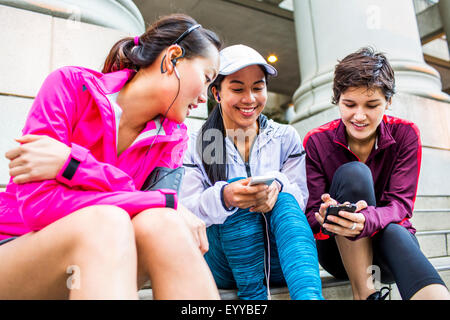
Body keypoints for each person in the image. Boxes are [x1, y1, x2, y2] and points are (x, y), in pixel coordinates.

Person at [0, 14, 221, 299]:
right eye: (206, 78)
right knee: (108, 220)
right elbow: (38, 206)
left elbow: (157, 213)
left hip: (102, 263)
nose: (206, 96)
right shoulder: (69, 85)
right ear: (172, 59)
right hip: (15, 251)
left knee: (163, 223)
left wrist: (71, 165)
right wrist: (159, 200)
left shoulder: (174, 137)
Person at [303, 47, 450, 300]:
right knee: (354, 173)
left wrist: (367, 220)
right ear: (337, 99)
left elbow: (401, 205)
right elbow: (310, 214)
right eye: (349, 104)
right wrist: (326, 216)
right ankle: (365, 295)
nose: (359, 116)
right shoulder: (317, 141)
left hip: (388, 253)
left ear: (388, 102)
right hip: (338, 252)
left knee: (394, 230)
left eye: (372, 105)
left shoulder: (405, 134)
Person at [179, 44, 323, 300]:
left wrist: (277, 187)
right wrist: (225, 197)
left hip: (280, 258)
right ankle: (254, 299)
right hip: (222, 263)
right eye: (237, 89)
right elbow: (187, 211)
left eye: (258, 87)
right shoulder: (195, 142)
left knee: (286, 198)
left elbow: (300, 199)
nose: (250, 99)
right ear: (217, 93)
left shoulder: (285, 136)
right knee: (236, 191)